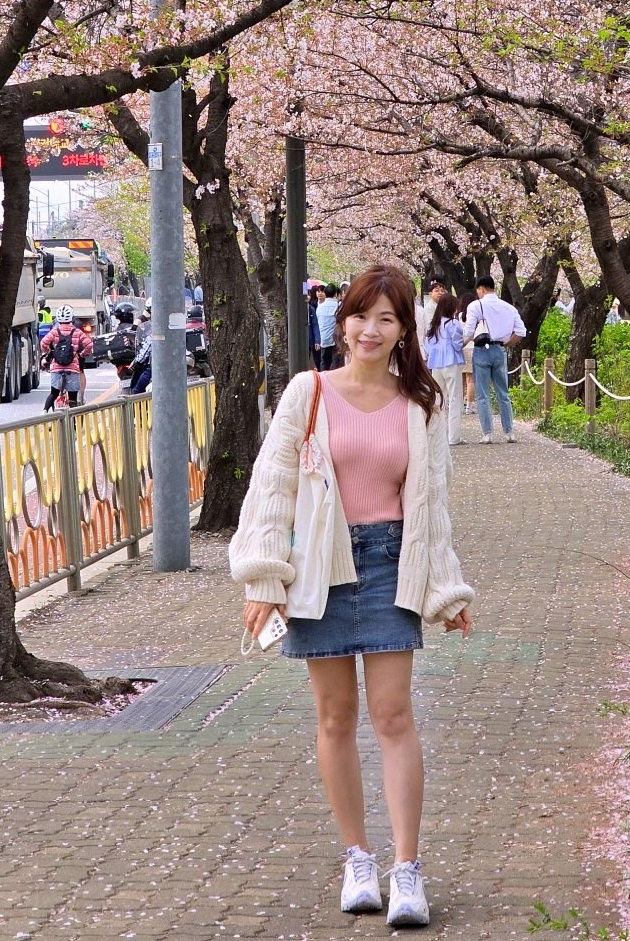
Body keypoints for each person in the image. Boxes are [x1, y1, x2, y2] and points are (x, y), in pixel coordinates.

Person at [230, 264, 474, 928]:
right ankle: (357, 859)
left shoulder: (419, 405)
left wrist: (446, 590)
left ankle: (407, 869)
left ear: (404, 331)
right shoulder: (306, 393)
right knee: (335, 717)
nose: (371, 329)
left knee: (393, 715)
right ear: (344, 323)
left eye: (387, 319)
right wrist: (263, 578)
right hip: (321, 566)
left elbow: (431, 506)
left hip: (393, 563)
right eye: (362, 315)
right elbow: (272, 489)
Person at [461, 276, 526, 444]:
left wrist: (458, 346)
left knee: (482, 395)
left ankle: (487, 433)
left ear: (481, 289)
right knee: (503, 393)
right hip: (499, 350)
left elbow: (468, 332)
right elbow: (521, 331)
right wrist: (507, 344)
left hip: (482, 350)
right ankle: (509, 432)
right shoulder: (509, 307)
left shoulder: (476, 305)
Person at [424, 292, 465, 446]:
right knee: (455, 399)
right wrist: (466, 339)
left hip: (436, 365)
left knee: (437, 400)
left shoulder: (434, 325)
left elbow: (428, 347)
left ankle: (433, 434)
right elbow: (457, 344)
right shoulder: (452, 324)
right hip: (451, 363)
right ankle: (453, 437)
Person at [39, 305, 92, 412]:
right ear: (71, 317)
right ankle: (73, 424)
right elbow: (89, 345)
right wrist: (81, 354)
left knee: (54, 393)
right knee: (73, 399)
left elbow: (43, 343)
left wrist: (48, 352)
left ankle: (44, 411)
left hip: (57, 368)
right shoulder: (77, 332)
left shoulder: (55, 331)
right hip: (72, 368)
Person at [317, 283, 340, 370]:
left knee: (324, 362)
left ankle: (323, 381)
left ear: (325, 294)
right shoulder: (338, 306)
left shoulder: (319, 308)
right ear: (335, 294)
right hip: (335, 339)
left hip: (324, 339)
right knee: (335, 363)